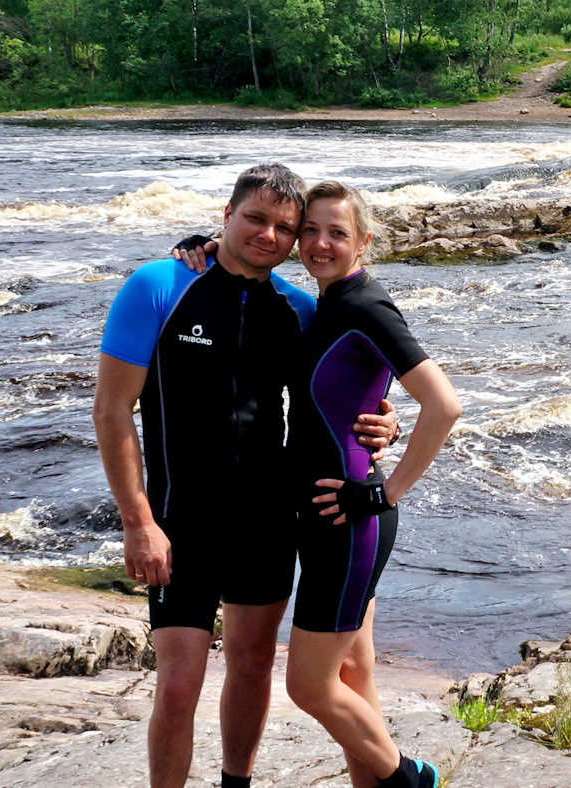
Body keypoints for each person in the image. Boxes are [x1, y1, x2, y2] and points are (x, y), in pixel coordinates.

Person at [93, 164, 398, 788]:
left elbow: (346, 387)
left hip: (265, 521)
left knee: (253, 666)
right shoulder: (158, 286)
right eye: (256, 218)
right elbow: (111, 410)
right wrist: (139, 522)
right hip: (178, 522)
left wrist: (383, 423)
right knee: (178, 686)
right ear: (225, 216)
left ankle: (238, 783)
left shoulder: (299, 309)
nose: (270, 235)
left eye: (286, 228)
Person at [175, 179, 460, 788]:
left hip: (347, 520)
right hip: (323, 515)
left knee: (309, 686)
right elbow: (353, 386)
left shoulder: (364, 306)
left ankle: (410, 780)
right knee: (355, 673)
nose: (319, 243)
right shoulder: (323, 305)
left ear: (364, 240)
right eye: (310, 230)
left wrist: (385, 492)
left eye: (337, 232)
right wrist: (203, 248)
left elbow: (444, 405)